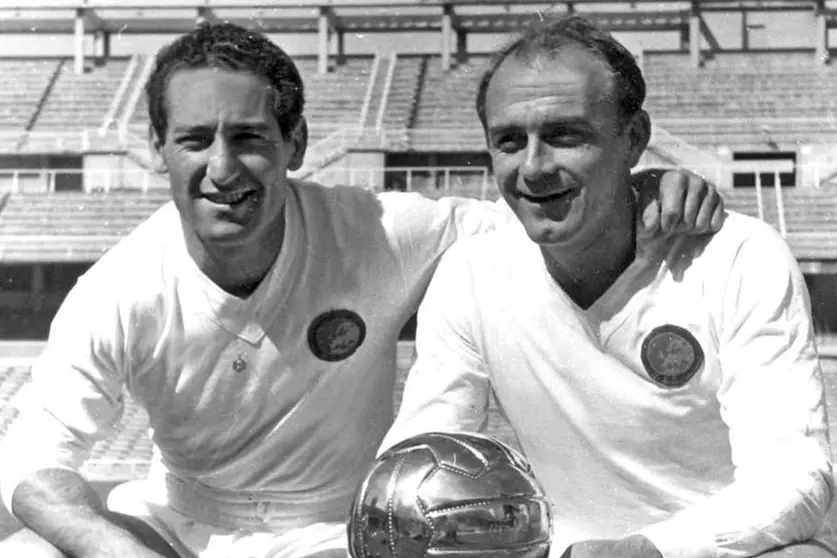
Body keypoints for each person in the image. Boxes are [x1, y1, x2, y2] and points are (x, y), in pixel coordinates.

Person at [0, 22, 725, 558]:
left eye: (249, 137)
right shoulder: (118, 288)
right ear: (158, 148)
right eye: (194, 140)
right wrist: (111, 552)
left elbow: (537, 216)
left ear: (297, 144)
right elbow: (31, 459)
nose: (223, 168)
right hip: (174, 523)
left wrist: (634, 188)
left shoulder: (381, 231)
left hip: (333, 532)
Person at [379, 14, 836, 558]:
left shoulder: (738, 256)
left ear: (635, 138)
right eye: (508, 141)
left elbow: (794, 478)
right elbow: (422, 454)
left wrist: (646, 550)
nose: (534, 167)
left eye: (565, 135)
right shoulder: (470, 273)